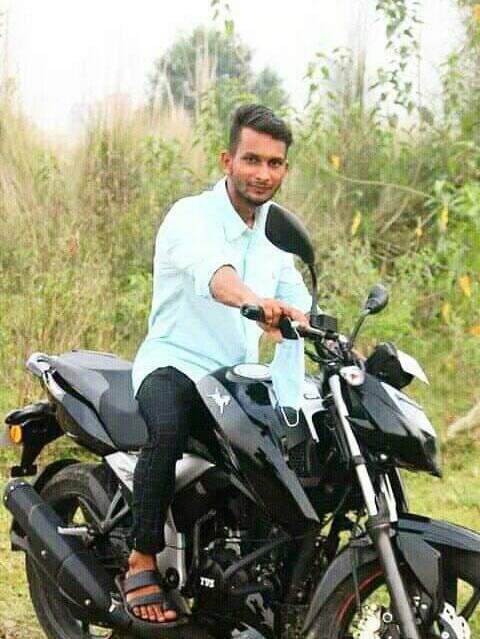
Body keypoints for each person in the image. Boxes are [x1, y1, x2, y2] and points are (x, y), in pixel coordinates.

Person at [122, 104, 312, 626]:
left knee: (278, 453)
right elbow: (216, 274)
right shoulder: (190, 216)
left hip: (232, 379)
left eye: (274, 163)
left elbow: (300, 301)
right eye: (252, 159)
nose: (263, 173)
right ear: (227, 160)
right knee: (167, 429)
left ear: (285, 169)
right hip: (175, 363)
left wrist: (338, 341)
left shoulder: (275, 232)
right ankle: (141, 557)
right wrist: (255, 303)